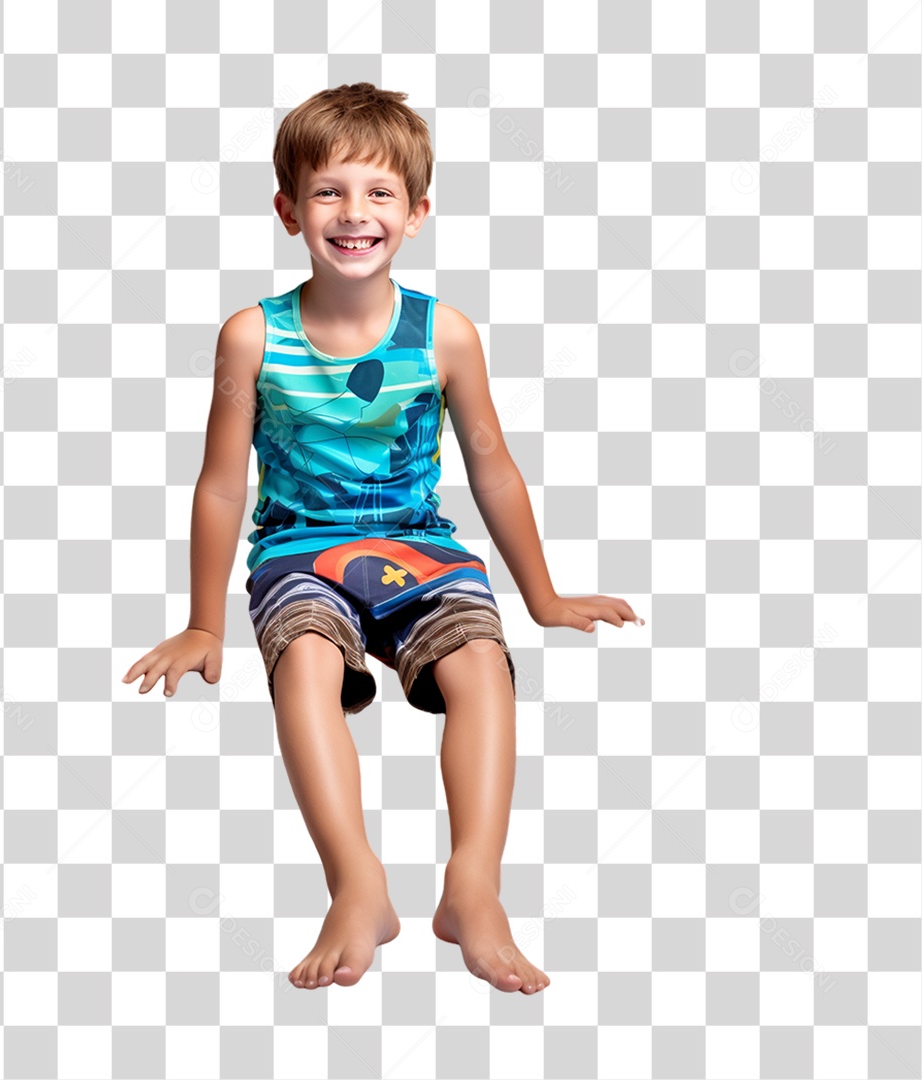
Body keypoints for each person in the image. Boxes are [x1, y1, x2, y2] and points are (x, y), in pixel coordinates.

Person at [122, 83, 643, 995]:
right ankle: (355, 881)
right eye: (328, 192)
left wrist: (544, 596)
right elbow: (220, 483)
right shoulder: (253, 337)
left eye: (379, 193)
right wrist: (206, 623)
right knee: (310, 664)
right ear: (288, 210)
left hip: (420, 545)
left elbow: (492, 470)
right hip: (298, 551)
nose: (354, 213)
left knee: (481, 662)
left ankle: (473, 885)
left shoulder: (444, 335)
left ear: (417, 211)